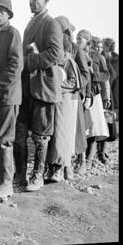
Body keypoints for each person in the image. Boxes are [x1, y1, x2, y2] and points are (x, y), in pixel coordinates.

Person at [15, 0, 63, 193]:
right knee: (20, 135)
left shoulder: (51, 24)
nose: (31, 1)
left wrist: (29, 61)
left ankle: (37, 176)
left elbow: (55, 54)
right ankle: (20, 175)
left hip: (43, 88)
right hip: (27, 88)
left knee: (41, 137)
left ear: (46, 0)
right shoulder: (31, 23)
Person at [0, 0, 23, 198]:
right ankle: (2, 180)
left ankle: (7, 184)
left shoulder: (12, 33)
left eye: (1, 11)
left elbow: (15, 66)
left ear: (9, 14)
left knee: (4, 140)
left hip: (8, 95)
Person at [46, 16, 81, 182]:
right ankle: (51, 167)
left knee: (61, 135)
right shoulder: (52, 56)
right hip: (51, 99)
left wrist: (58, 86)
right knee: (50, 134)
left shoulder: (69, 61)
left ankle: (59, 169)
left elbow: (75, 82)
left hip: (63, 101)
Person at [85, 36, 110, 168]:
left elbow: (106, 76)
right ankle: (82, 159)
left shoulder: (99, 57)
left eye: (97, 47)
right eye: (95, 46)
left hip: (95, 94)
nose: (96, 49)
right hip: (82, 94)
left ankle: (89, 159)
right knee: (84, 128)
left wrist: (93, 74)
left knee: (94, 128)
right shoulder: (79, 54)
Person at [72, 29, 92, 173]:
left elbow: (87, 76)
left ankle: (83, 162)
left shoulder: (84, 54)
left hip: (81, 94)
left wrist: (88, 95)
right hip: (74, 93)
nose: (78, 40)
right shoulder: (74, 49)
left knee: (81, 128)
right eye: (77, 37)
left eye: (81, 38)